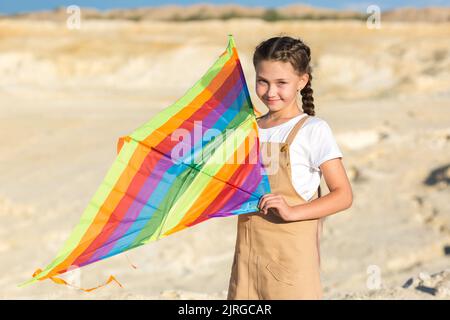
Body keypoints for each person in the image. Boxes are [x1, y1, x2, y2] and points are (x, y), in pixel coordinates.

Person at [227, 35, 353, 300]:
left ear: (302, 81)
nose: (270, 92)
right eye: (263, 81)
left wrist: (292, 212)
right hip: (247, 260)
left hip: (289, 264)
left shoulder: (313, 130)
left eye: (281, 83)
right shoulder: (249, 129)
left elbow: (343, 195)